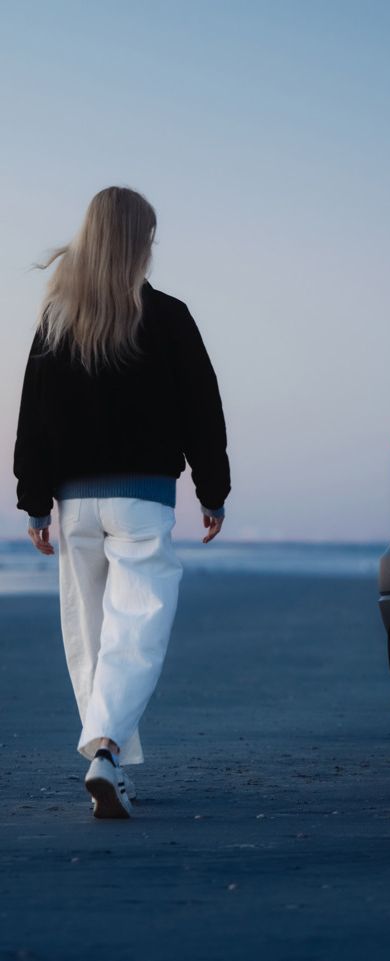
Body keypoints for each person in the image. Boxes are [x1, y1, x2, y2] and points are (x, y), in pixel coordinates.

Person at [13, 186, 231, 818]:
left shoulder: (57, 318)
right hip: (143, 503)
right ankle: (106, 752)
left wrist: (33, 502)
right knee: (133, 633)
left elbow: (35, 420)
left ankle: (105, 762)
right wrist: (211, 490)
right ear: (139, 244)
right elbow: (203, 413)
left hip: (75, 506)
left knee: (90, 636)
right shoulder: (169, 316)